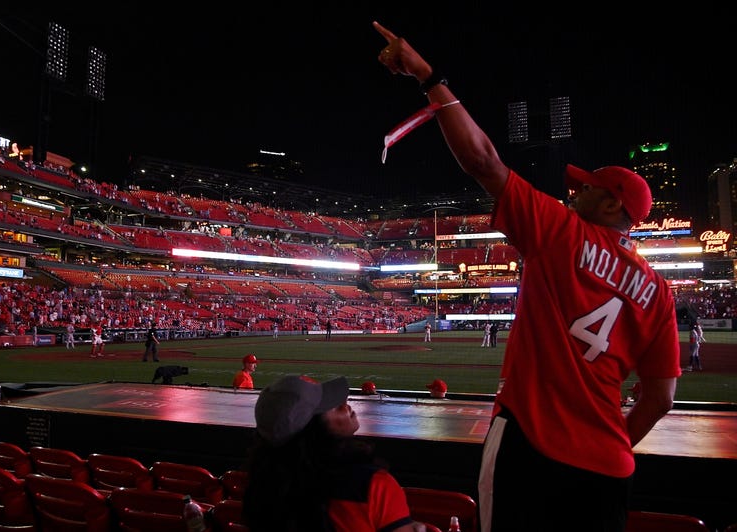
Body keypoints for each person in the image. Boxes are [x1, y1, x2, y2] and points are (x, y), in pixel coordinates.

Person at [374, 21, 681, 532]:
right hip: (607, 467)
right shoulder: (659, 290)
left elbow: (481, 160)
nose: (572, 194)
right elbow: (662, 398)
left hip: (531, 444)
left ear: (610, 203)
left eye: (584, 189)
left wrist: (428, 77)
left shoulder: (562, 232)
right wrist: (614, 440)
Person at [243, 374, 426, 532]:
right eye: (330, 406)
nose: (345, 404)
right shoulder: (375, 486)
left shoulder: (262, 486)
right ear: (313, 430)